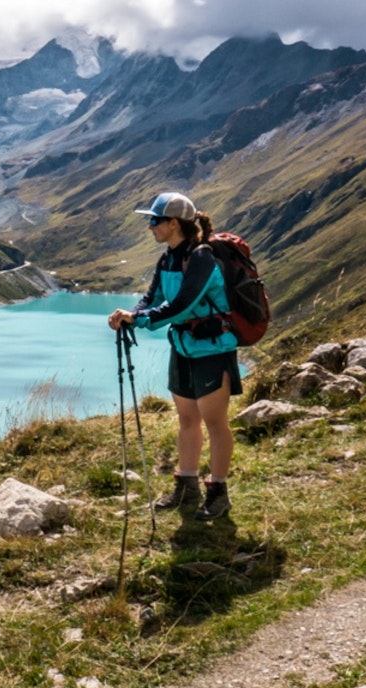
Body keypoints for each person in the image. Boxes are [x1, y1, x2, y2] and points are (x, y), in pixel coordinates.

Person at [108, 192, 240, 520]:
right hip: (183, 347)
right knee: (187, 419)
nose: (150, 227)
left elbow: (183, 302)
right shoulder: (167, 258)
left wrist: (140, 319)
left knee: (214, 421)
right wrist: (130, 313)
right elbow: (151, 297)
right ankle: (187, 486)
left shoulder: (201, 257)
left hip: (212, 348)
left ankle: (219, 493)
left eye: (154, 221)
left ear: (173, 223)